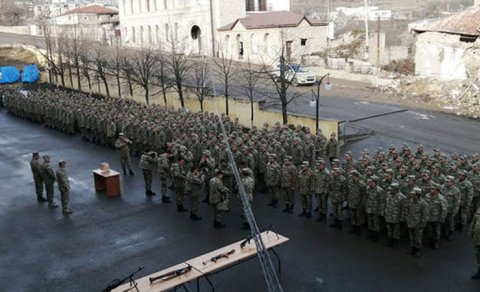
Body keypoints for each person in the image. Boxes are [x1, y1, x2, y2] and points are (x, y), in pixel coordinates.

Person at [406, 187, 429, 257]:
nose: (412, 195)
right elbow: (408, 210)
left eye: (414, 194)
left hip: (418, 224)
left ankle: (418, 249)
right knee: (411, 237)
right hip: (410, 222)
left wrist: (422, 225)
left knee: (418, 238)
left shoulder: (423, 204)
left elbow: (425, 216)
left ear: (418, 195)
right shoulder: (411, 201)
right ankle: (412, 248)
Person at [384, 182, 406, 248]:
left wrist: (402, 218)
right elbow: (385, 204)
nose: (391, 190)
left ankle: (395, 242)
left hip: (396, 217)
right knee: (389, 229)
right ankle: (390, 240)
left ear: (396, 189)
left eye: (392, 188)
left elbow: (404, 209)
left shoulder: (402, 197)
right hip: (388, 215)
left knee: (396, 231)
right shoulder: (388, 194)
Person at [469, 208, 480, 279]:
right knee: (478, 255)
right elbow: (474, 221)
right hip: (478, 238)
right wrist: (470, 232)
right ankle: (479, 271)